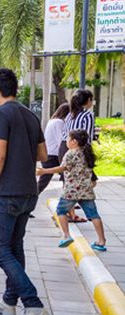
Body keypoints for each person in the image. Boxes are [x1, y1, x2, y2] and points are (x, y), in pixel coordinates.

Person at [0, 68, 51, 315]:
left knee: (0, 250)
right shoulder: (30, 115)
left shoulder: (0, 114)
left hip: (8, 192)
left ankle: (33, 306)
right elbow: (43, 154)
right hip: (29, 192)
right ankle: (10, 302)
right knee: (14, 247)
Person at [38, 129, 107, 251]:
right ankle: (101, 241)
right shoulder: (87, 153)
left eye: (68, 139)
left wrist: (44, 171)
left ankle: (66, 235)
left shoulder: (70, 153)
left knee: (61, 211)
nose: (67, 142)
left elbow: (62, 168)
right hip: (86, 190)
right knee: (94, 215)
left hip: (71, 191)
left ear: (74, 141)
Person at [62, 90, 96, 222]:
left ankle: (70, 212)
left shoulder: (70, 115)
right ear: (87, 101)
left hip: (64, 147)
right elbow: (87, 136)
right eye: (91, 99)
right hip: (79, 150)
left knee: (69, 179)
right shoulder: (87, 115)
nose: (91, 102)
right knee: (90, 180)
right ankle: (75, 208)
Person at [37, 103, 70, 194]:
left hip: (50, 153)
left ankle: (68, 198)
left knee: (62, 176)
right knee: (65, 175)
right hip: (54, 154)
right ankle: (68, 198)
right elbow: (61, 139)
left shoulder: (52, 121)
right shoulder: (59, 122)